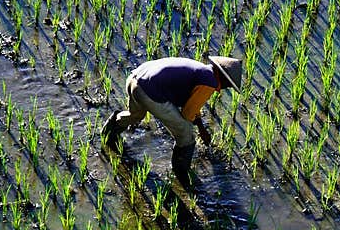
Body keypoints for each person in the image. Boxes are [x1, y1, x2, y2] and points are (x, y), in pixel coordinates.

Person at [101, 55, 242, 183]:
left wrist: (201, 127)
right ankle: (181, 172)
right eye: (228, 85)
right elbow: (187, 114)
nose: (225, 88)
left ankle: (108, 133)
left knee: (136, 115)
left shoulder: (199, 69)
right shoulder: (210, 81)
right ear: (224, 79)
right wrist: (196, 129)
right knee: (186, 133)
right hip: (150, 92)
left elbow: (191, 104)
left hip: (135, 79)